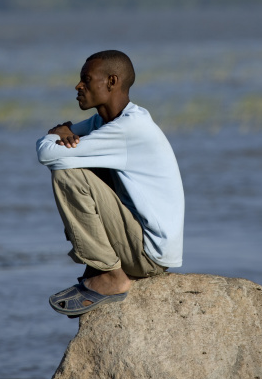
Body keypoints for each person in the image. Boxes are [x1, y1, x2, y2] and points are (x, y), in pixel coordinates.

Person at [36, 50, 184, 316]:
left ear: (112, 82)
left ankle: (113, 277)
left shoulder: (130, 128)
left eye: (86, 79)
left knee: (68, 173)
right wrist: (58, 135)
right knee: (79, 162)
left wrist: (60, 134)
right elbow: (53, 140)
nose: (78, 86)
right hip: (138, 240)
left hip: (147, 255)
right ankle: (100, 266)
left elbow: (48, 152)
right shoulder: (103, 122)